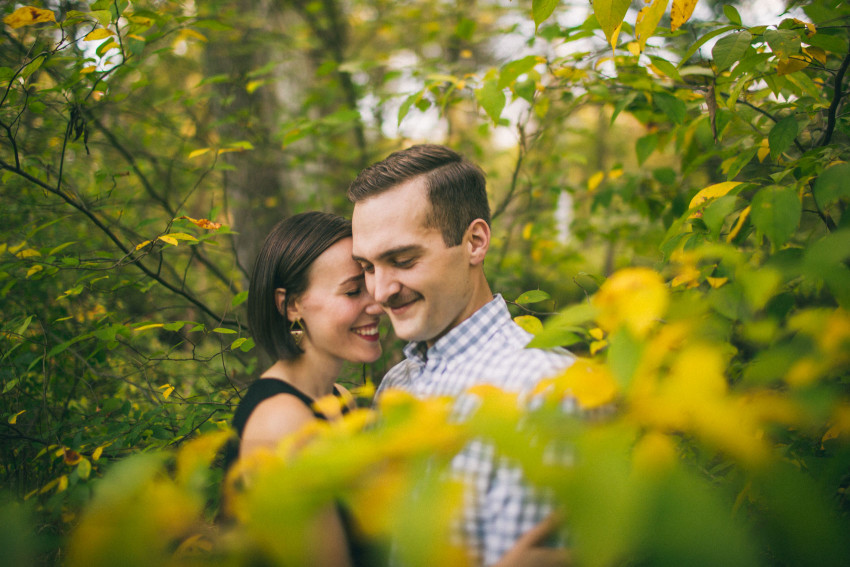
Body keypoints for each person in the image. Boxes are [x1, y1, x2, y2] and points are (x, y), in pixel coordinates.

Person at [349, 144, 576, 566]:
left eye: (402, 260)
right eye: (367, 267)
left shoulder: (548, 389)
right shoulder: (397, 384)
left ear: (474, 242)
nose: (380, 292)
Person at [224, 211, 383, 567]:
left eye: (369, 285)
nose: (376, 304)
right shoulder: (281, 423)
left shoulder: (339, 399)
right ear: (291, 305)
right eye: (353, 291)